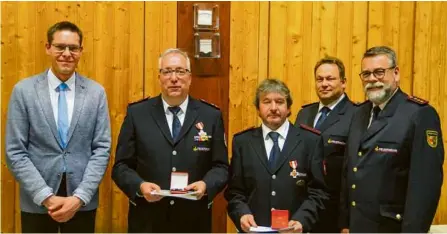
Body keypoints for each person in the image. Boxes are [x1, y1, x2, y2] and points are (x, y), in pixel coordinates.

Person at [5, 21, 111, 233]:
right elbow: (15, 152)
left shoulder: (95, 93)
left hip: (81, 201)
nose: (66, 53)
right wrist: (46, 196)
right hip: (37, 200)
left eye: (73, 48)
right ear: (48, 48)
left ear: (81, 51)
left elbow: (102, 149)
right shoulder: (24, 91)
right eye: (60, 47)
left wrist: (80, 197)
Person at [112, 48, 229, 232]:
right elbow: (120, 167)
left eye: (180, 71)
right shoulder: (138, 114)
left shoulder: (210, 116)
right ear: (159, 77)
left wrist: (206, 185)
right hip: (147, 220)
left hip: (193, 221)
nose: (174, 78)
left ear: (189, 77)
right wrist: (140, 186)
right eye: (167, 71)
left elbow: (221, 167)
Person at [339, 46, 444, 232]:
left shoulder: (419, 115)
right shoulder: (359, 113)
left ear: (396, 73)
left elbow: (425, 185)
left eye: (379, 72)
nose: (372, 79)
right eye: (366, 74)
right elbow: (350, 171)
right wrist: (345, 223)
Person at [225, 78, 328, 233]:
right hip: (255, 230)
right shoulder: (243, 142)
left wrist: (302, 220)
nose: (273, 108)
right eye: (266, 102)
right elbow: (235, 192)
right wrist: (242, 214)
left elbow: (319, 192)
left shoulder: (310, 141)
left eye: (279, 102)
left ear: (289, 108)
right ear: (258, 109)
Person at [295, 56, 357, 233]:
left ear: (343, 82)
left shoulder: (356, 115)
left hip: (335, 211)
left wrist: (347, 221)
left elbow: (353, 171)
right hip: (303, 208)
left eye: (330, 79)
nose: (324, 84)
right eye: (319, 79)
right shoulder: (304, 113)